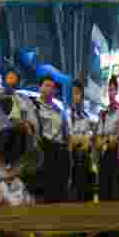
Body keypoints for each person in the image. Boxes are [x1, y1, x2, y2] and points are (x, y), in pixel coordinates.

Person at [0, 64, 38, 152]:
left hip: (18, 145)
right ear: (4, 80)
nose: (11, 82)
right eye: (9, 78)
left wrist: (27, 126)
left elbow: (33, 122)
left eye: (14, 79)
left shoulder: (24, 100)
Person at [35, 75, 71, 203]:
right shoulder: (34, 106)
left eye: (52, 87)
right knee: (43, 193)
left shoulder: (59, 110)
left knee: (59, 193)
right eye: (46, 85)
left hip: (59, 154)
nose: (50, 89)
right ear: (40, 88)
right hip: (43, 152)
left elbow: (67, 134)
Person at [96, 75, 119, 202]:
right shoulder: (103, 113)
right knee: (103, 189)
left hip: (115, 155)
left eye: (113, 89)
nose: (110, 92)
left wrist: (107, 139)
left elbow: (118, 136)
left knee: (114, 190)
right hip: (103, 155)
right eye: (109, 90)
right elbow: (99, 136)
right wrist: (105, 140)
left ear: (116, 91)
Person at [68, 80, 95, 202]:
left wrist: (85, 140)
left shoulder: (86, 116)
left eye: (78, 93)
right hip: (72, 161)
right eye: (73, 93)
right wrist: (82, 139)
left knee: (85, 194)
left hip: (85, 161)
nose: (76, 96)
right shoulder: (67, 114)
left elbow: (89, 140)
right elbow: (71, 139)